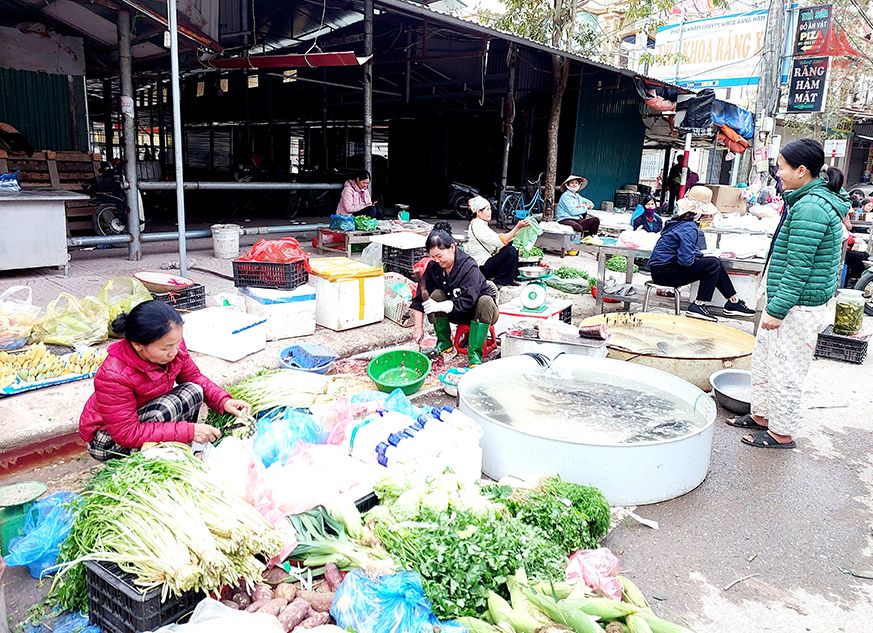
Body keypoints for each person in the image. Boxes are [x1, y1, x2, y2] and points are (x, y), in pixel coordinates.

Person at [727, 139, 848, 450]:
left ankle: (782, 433)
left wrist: (778, 309)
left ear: (802, 170)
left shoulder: (811, 207)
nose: (778, 174)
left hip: (799, 305)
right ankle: (763, 416)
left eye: (781, 167)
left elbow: (798, 266)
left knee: (785, 369)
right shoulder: (805, 197)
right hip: (789, 299)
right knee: (765, 360)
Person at [79, 301, 252, 461]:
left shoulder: (173, 346)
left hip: (145, 416)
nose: (174, 352)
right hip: (107, 440)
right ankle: (147, 461)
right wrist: (189, 431)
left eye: (177, 343)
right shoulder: (114, 374)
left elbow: (193, 377)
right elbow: (126, 433)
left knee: (193, 390)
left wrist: (223, 401)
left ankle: (177, 451)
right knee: (168, 407)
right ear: (138, 344)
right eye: (166, 348)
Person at [648, 185, 757, 321]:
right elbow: (685, 260)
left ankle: (733, 301)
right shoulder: (688, 228)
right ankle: (699, 304)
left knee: (713, 262)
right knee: (712, 264)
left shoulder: (679, 222)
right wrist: (700, 258)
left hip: (661, 269)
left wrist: (699, 256)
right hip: (663, 272)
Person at [411, 222, 499, 367]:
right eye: (433, 257)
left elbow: (468, 302)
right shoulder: (434, 267)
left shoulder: (469, 267)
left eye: (439, 256)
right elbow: (419, 299)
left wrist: (439, 306)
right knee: (437, 294)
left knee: (485, 301)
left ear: (452, 248)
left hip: (481, 313)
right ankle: (444, 343)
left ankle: (475, 354)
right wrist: (418, 328)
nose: (437, 261)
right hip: (456, 314)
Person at [465, 195, 531, 287]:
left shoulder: (481, 224)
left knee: (512, 245)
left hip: (488, 261)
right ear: (479, 212)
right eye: (487, 210)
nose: (490, 212)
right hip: (482, 267)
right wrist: (517, 227)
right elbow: (498, 241)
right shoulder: (477, 225)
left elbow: (498, 240)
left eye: (490, 209)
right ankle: (501, 281)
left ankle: (511, 277)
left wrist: (516, 231)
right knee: (510, 251)